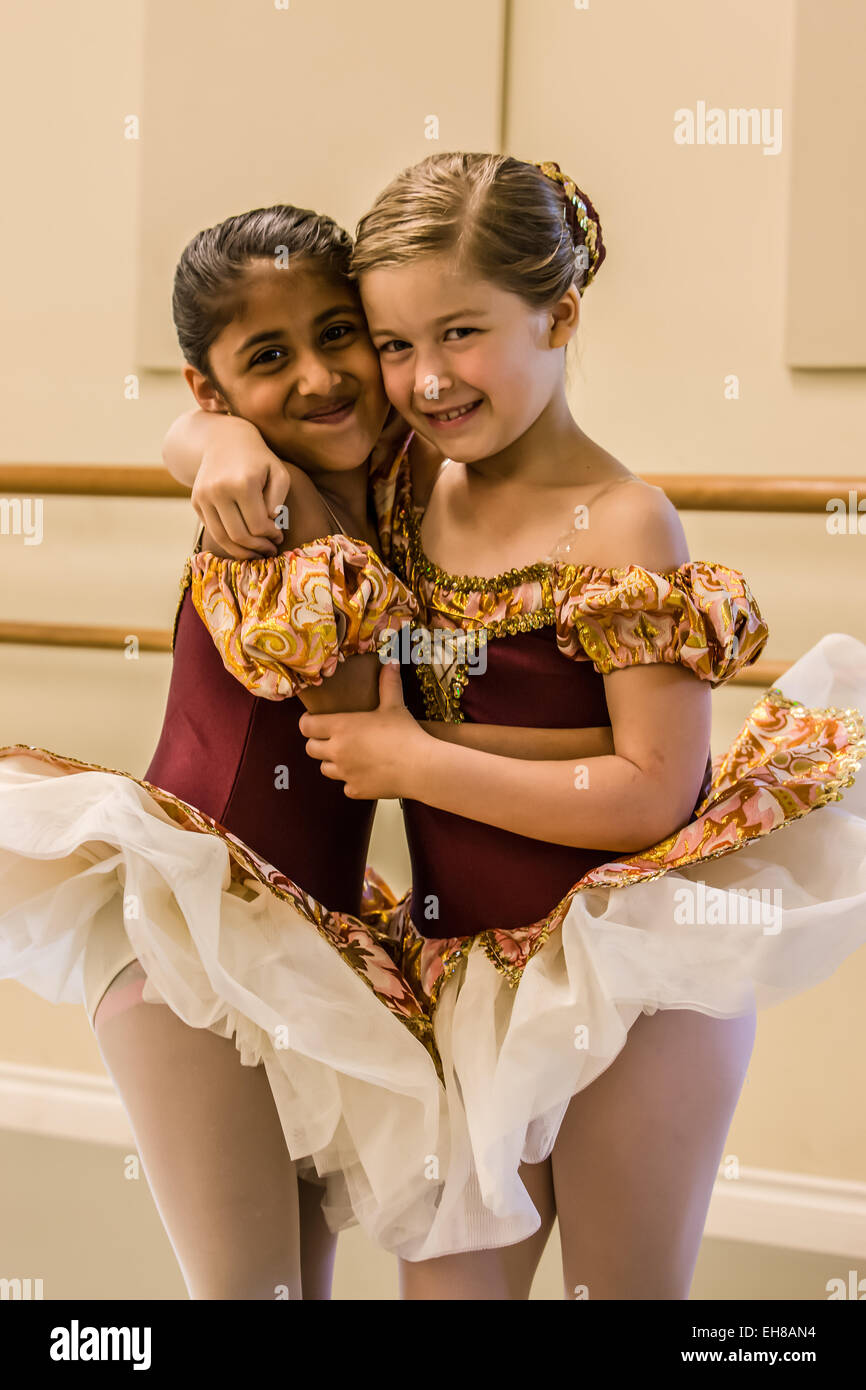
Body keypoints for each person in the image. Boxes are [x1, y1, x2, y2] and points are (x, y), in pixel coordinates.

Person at [284, 152, 866, 1298]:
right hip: (465, 977)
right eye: (395, 345)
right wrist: (202, 452)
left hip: (633, 982)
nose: (424, 379)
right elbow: (225, 427)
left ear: (558, 312)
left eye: (460, 333)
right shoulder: (406, 486)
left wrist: (415, 758)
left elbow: (652, 791)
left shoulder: (621, 526)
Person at [0, 203, 459, 1298]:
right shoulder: (266, 502)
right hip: (187, 947)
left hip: (303, 934)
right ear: (210, 387)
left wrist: (209, 432)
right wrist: (213, 442)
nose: (317, 375)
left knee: (291, 1281)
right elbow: (354, 716)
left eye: (337, 332)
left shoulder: (389, 480)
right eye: (268, 358)